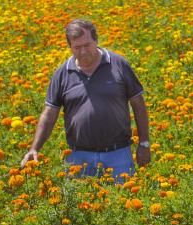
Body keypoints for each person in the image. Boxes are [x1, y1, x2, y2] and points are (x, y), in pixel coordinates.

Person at [21, 19, 150, 182]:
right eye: (77, 47)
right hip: (79, 156)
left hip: (118, 155)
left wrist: (144, 143)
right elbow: (49, 114)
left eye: (87, 45)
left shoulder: (118, 65)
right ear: (70, 47)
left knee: (122, 203)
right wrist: (34, 149)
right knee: (80, 205)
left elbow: (138, 104)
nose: (83, 51)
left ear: (96, 41)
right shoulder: (63, 73)